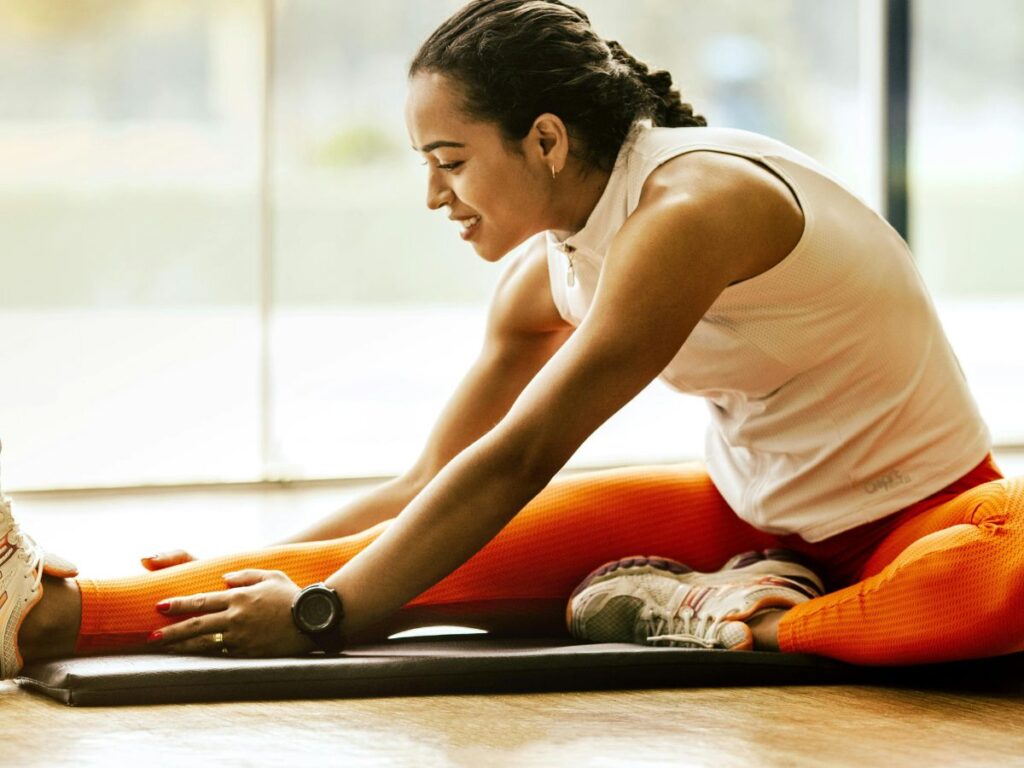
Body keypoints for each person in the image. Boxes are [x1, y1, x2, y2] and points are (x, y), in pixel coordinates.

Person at [2, 0, 1022, 679]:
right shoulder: (546, 272)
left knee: (1002, 575)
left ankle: (741, 620)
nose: (433, 194)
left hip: (925, 517)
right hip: (744, 519)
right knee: (398, 564)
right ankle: (38, 612)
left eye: (449, 158)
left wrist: (325, 613)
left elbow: (524, 455)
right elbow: (430, 483)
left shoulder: (690, 207)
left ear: (545, 138)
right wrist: (273, 564)